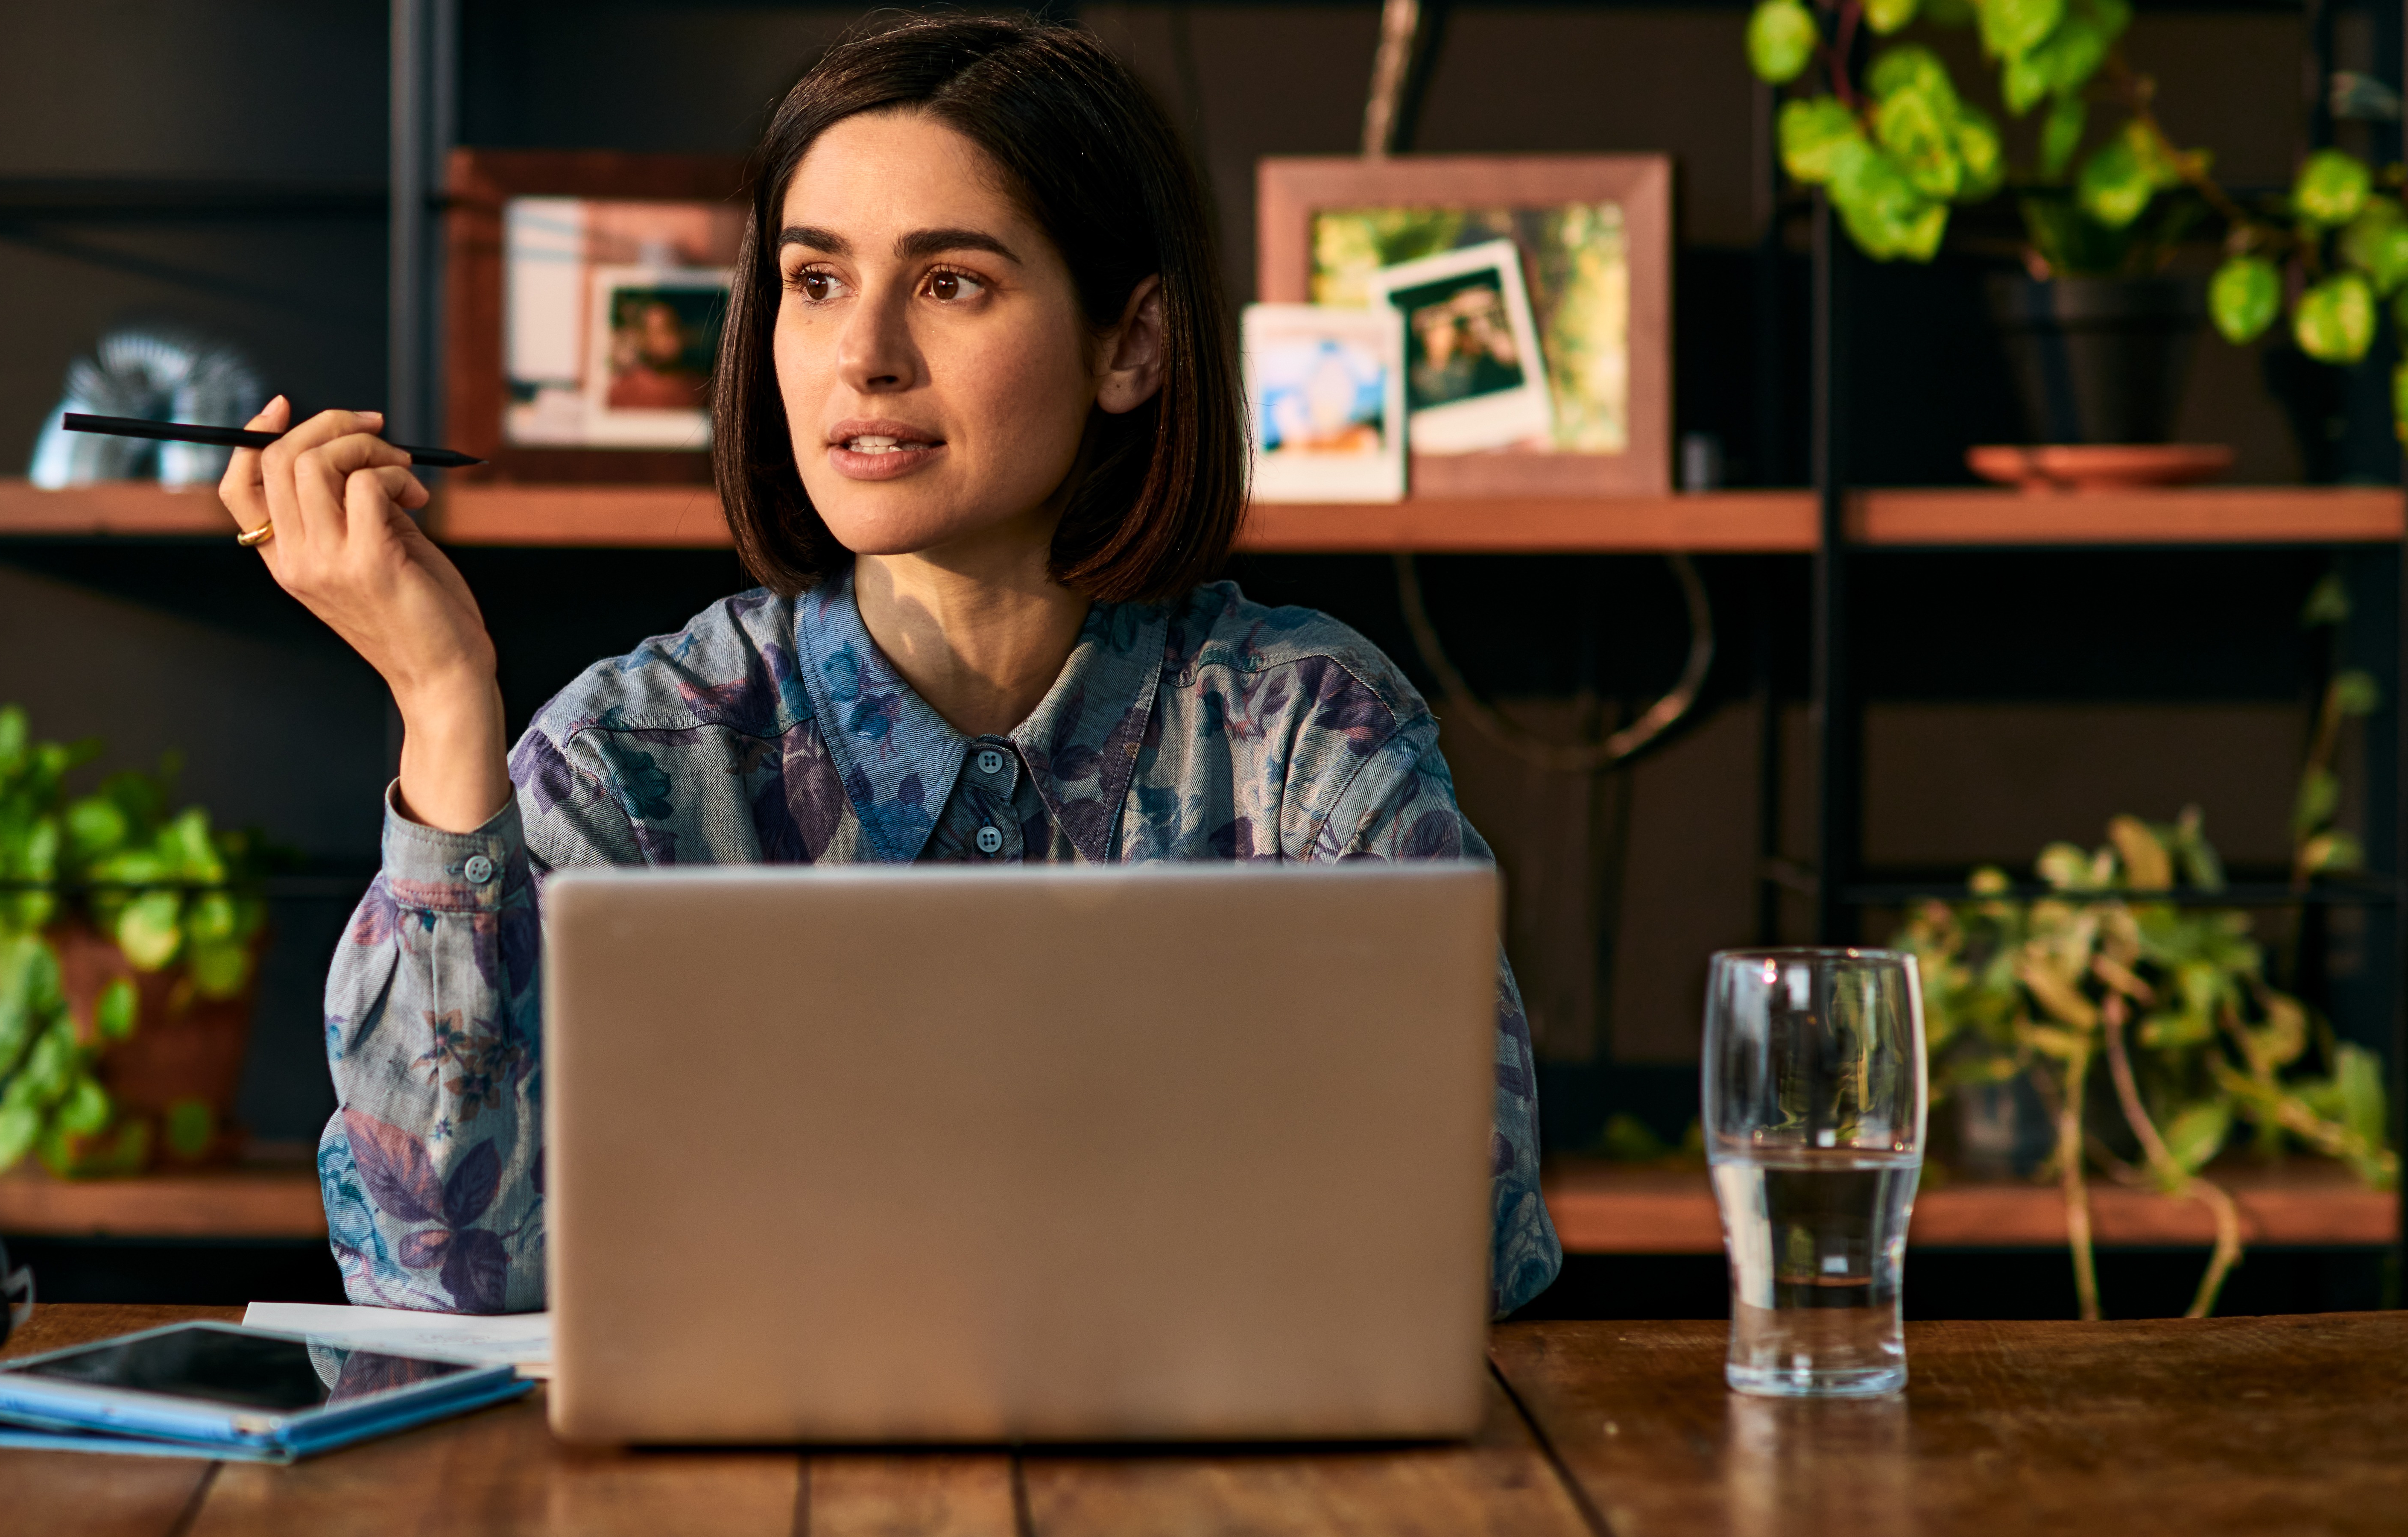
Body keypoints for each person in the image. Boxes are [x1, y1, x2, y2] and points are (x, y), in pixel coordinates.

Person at [213, 16, 1559, 1318]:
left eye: (950, 282)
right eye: (816, 282)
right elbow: (440, 1270)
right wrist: (442, 704)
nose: (863, 356)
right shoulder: (637, 755)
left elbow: (1464, 1237)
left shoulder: (1303, 732)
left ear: (1131, 346)